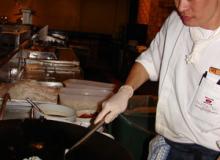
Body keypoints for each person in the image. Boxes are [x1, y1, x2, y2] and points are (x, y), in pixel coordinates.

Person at [95, 0, 220, 159]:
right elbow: (150, 62)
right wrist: (125, 90)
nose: (181, 6)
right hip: (168, 145)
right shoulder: (176, 21)